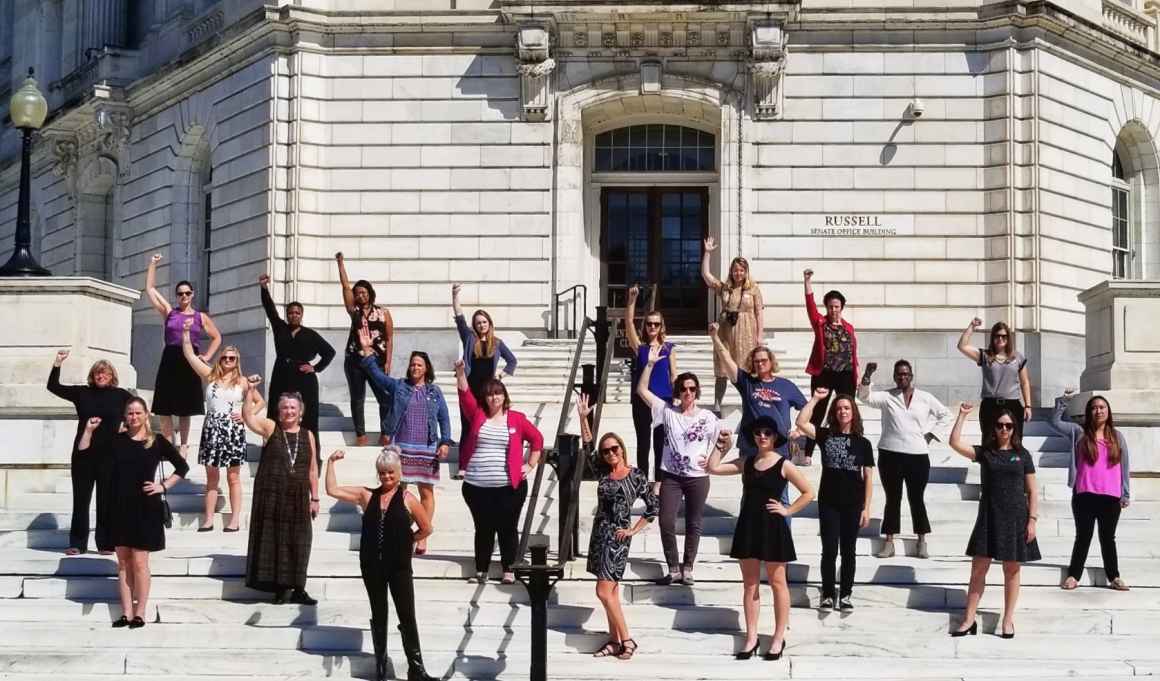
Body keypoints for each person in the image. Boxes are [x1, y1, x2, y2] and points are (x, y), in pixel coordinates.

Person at [706, 415, 814, 661]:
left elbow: (809, 492)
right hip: (749, 525)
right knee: (750, 585)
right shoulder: (748, 461)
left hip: (773, 527)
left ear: (775, 437)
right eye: (758, 432)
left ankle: (777, 637)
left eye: (767, 432)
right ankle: (751, 636)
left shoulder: (784, 464)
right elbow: (713, 468)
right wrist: (720, 446)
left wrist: (788, 510)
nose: (762, 436)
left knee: (778, 584)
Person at [325, 447, 437, 681]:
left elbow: (426, 527)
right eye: (382, 473)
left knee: (406, 614)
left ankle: (416, 668)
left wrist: (408, 541)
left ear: (399, 472)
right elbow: (332, 490)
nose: (386, 477)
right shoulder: (367, 496)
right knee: (379, 612)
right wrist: (330, 463)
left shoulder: (408, 498)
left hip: (399, 566)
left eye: (390, 473)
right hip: (372, 564)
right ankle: (380, 667)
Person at [79, 398, 189, 628]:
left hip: (146, 507)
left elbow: (182, 467)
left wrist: (163, 486)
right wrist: (88, 430)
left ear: (146, 415)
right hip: (118, 506)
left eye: (138, 413)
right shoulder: (116, 440)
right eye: (130, 413)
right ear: (125, 416)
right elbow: (85, 454)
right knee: (122, 563)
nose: (134, 417)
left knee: (140, 563)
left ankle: (140, 612)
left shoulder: (156, 442)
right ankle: (126, 613)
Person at [576, 394, 659, 661]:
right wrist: (583, 418)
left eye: (615, 449)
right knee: (609, 592)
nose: (611, 453)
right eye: (607, 451)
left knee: (602, 591)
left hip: (618, 537)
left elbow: (652, 507)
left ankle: (627, 639)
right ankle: (613, 641)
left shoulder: (635, 475)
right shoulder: (604, 473)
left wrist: (634, 530)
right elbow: (588, 449)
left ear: (622, 449)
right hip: (600, 535)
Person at [948, 402, 1040, 638]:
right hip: (989, 515)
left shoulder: (1022, 455)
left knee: (1011, 569)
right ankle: (969, 618)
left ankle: (1008, 620)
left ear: (1014, 428)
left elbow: (1033, 491)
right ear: (994, 428)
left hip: (1016, 517)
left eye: (1008, 426)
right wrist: (962, 416)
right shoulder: (986, 452)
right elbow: (955, 443)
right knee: (978, 568)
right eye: (1000, 425)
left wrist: (1032, 520)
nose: (1004, 430)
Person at [357, 333, 453, 556]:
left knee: (426, 493)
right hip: (401, 447)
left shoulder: (434, 392)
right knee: (398, 493)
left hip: (427, 448)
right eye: (412, 365)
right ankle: (398, 532)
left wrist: (445, 441)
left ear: (426, 368)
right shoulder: (399, 386)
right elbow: (378, 377)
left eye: (419, 364)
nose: (414, 368)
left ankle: (422, 536)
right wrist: (367, 351)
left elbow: (444, 418)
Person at [637, 345, 721, 586]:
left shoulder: (707, 416)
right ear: (678, 391)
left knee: (694, 522)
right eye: (683, 389)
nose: (688, 393)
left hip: (697, 476)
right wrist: (650, 364)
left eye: (692, 389)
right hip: (671, 476)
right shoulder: (666, 411)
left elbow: (724, 439)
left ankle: (688, 568)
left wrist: (714, 460)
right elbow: (642, 389)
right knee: (665, 520)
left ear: (697, 392)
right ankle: (673, 567)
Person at [454, 359, 544, 584]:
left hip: (509, 487)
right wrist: (460, 372)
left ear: (504, 396)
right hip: (477, 486)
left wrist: (530, 464)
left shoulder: (517, 419)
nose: (494, 397)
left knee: (507, 528)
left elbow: (537, 440)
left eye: (498, 393)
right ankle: (481, 570)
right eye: (490, 394)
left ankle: (509, 569)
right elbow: (465, 395)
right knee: (483, 528)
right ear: (485, 398)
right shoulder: (478, 415)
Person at [857, 360, 951, 559]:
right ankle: (889, 542)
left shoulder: (925, 398)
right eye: (899, 374)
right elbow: (864, 397)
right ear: (894, 376)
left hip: (917, 456)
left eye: (906, 374)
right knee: (893, 498)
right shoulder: (887, 397)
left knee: (917, 499)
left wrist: (930, 435)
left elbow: (945, 415)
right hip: (890, 454)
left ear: (911, 376)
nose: (902, 377)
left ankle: (921, 541)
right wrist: (867, 375)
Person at [242, 378, 320, 605]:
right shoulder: (270, 427)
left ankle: (298, 587)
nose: (288, 411)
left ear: (300, 411)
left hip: (298, 496)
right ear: (279, 410)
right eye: (284, 407)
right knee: (276, 539)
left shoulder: (308, 435)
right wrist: (250, 392)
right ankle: (281, 588)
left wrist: (314, 497)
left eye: (293, 407)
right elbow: (248, 417)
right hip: (273, 494)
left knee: (300, 540)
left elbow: (313, 468)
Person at [47, 350, 132, 555]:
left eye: (105, 373)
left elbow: (140, 412)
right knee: (81, 500)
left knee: (106, 500)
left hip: (110, 456)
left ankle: (105, 543)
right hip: (84, 455)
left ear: (112, 376)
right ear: (92, 376)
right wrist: (58, 363)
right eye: (97, 373)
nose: (101, 376)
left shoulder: (122, 396)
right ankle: (77, 543)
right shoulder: (82, 393)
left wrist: (126, 427)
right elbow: (53, 387)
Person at [796, 388, 874, 611]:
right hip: (829, 502)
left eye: (847, 408)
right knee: (829, 550)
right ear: (834, 412)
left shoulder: (863, 443)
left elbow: (868, 477)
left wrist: (866, 508)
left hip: (853, 503)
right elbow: (801, 422)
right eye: (839, 408)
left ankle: (846, 594)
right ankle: (828, 593)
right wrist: (816, 399)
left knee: (849, 551)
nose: (843, 412)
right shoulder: (825, 435)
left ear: (854, 412)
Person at [1049, 390, 1131, 592]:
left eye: (1102, 407)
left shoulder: (1117, 437)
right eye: (1094, 408)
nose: (1098, 411)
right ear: (1089, 412)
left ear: (1108, 411)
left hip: (1111, 497)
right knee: (1083, 537)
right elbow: (1055, 422)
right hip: (1084, 494)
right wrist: (1065, 401)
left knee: (1107, 538)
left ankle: (1114, 576)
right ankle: (1073, 575)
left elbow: (1125, 466)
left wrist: (1125, 493)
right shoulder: (1079, 433)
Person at [143, 253, 222, 456]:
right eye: (180, 294)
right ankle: (170, 445)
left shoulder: (200, 316)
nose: (184, 296)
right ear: (177, 295)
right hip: (170, 357)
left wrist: (206, 357)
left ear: (192, 294)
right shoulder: (169, 312)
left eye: (187, 293)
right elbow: (150, 289)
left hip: (190, 358)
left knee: (186, 407)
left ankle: (184, 445)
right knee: (164, 407)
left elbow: (217, 337)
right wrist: (153, 264)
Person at [181, 320, 248, 532]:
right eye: (225, 357)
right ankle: (208, 519)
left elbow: (258, 403)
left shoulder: (243, 381)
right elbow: (190, 356)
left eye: (232, 358)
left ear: (237, 361)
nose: (228, 360)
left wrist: (245, 417)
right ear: (220, 359)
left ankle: (234, 520)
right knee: (212, 478)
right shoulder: (210, 376)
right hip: (212, 428)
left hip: (233, 430)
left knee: (233, 477)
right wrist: (185, 332)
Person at [260, 273, 336, 449]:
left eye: (297, 313)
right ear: (287, 315)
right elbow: (270, 309)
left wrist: (315, 368)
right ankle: (273, 449)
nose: (294, 315)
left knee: (308, 416)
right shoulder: (280, 328)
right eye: (291, 313)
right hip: (281, 374)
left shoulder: (310, 334)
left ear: (301, 315)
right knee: (275, 412)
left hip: (304, 379)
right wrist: (264, 289)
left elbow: (329, 352)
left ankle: (311, 453)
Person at [708, 322, 804, 457]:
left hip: (778, 447)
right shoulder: (746, 382)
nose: (760, 364)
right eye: (756, 361)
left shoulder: (786, 385)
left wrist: (799, 431)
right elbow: (726, 359)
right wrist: (715, 338)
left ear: (771, 362)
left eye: (763, 360)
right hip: (750, 446)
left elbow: (807, 408)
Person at [336, 252, 394, 446]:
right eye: (357, 292)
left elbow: (390, 337)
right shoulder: (354, 311)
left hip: (377, 361)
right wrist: (340, 264)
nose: (360, 295)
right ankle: (360, 434)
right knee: (357, 397)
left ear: (370, 293)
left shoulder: (383, 312)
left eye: (364, 292)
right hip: (354, 360)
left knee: (384, 396)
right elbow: (345, 286)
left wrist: (387, 361)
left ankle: (385, 432)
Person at [451, 283, 518, 450]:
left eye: (484, 322)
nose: (481, 325)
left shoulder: (496, 343)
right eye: (478, 323)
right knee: (467, 424)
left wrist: (500, 376)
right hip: (469, 387)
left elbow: (512, 361)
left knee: (485, 424)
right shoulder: (469, 338)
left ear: (489, 323)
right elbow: (459, 317)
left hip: (488, 390)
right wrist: (455, 296)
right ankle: (463, 465)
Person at [701, 237, 763, 414]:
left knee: (747, 369)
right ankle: (717, 405)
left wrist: (760, 335)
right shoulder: (725, 288)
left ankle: (750, 402)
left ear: (746, 272)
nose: (738, 273)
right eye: (736, 270)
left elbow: (759, 312)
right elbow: (706, 276)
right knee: (722, 368)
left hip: (746, 332)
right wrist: (707, 253)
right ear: (731, 271)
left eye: (742, 270)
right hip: (726, 330)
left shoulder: (754, 289)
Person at [802, 268, 858, 457]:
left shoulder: (849, 328)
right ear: (826, 307)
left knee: (846, 411)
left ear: (841, 307)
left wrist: (856, 374)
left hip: (846, 375)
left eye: (837, 306)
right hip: (824, 374)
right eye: (830, 306)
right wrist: (807, 282)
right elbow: (810, 306)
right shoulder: (820, 322)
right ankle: (808, 452)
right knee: (818, 412)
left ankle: (848, 447)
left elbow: (853, 353)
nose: (833, 310)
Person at [624, 284, 677, 481]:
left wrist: (679, 395)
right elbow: (628, 322)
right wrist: (632, 301)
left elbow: (674, 375)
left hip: (663, 401)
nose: (652, 327)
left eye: (656, 324)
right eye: (649, 324)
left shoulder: (669, 348)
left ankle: (660, 483)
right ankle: (643, 481)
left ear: (662, 326)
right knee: (643, 443)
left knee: (660, 444)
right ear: (645, 327)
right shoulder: (641, 348)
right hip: (641, 401)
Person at [957, 317, 1032, 441]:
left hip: (1012, 404)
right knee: (989, 443)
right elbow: (962, 346)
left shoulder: (1018, 357)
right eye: (997, 336)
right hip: (990, 405)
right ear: (993, 338)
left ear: (1008, 338)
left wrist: (1028, 406)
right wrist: (972, 326)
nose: (1000, 339)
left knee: (1015, 443)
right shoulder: (985, 356)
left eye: (1004, 336)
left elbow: (1025, 382)